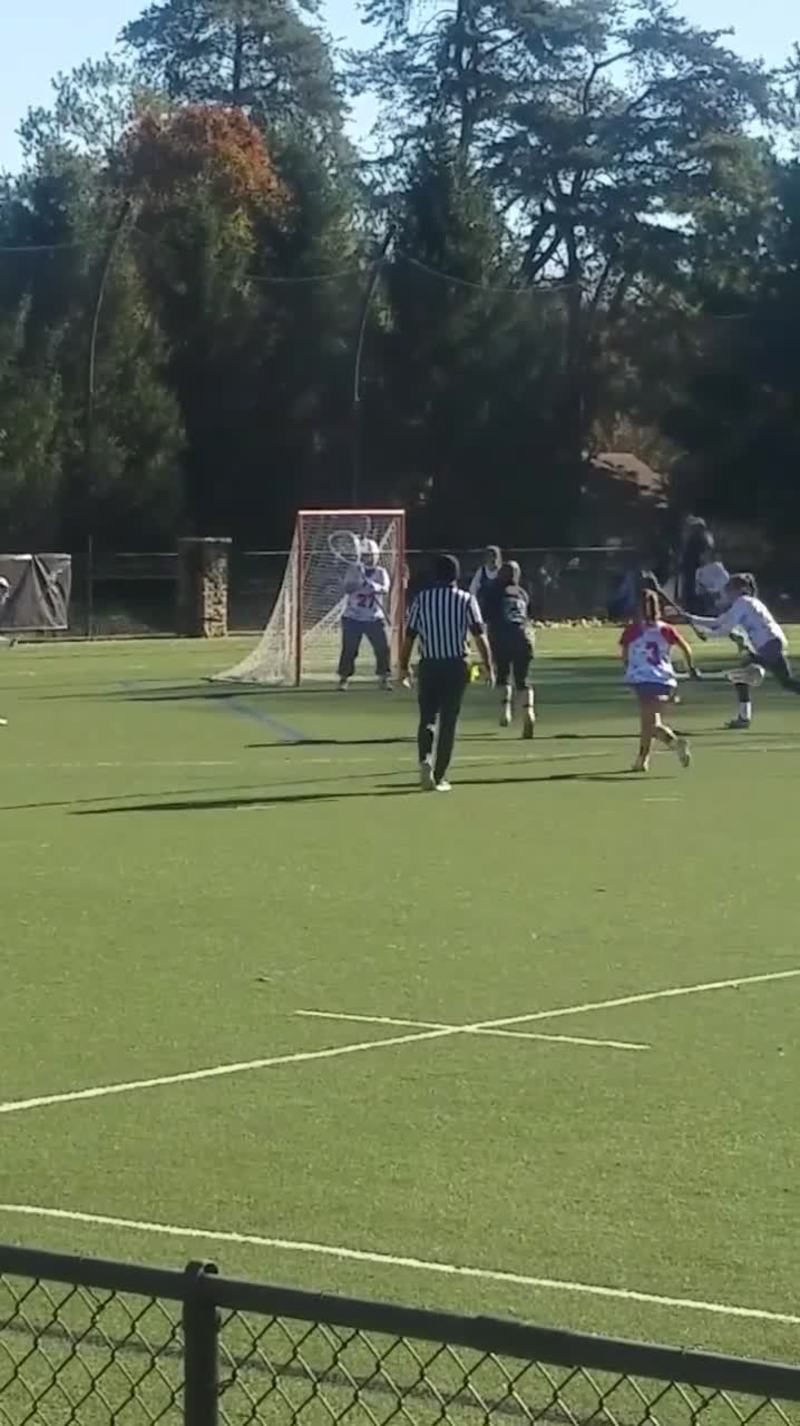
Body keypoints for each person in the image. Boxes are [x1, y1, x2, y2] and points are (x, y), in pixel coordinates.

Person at [399, 554, 494, 792]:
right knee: (449, 721)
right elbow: (479, 635)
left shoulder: (422, 599)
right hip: (456, 664)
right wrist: (489, 666)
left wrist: (403, 666)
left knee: (427, 718)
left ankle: (425, 759)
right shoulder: (466, 599)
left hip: (429, 664)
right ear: (456, 575)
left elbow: (409, 636)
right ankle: (439, 775)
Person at [690, 573, 800, 729]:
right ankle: (744, 714)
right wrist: (691, 618)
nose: (727, 594)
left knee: (746, 675)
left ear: (738, 590)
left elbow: (725, 628)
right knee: (784, 681)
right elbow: (719, 621)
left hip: (768, 644)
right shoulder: (748, 602)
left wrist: (707, 634)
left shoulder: (742, 603)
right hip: (772, 643)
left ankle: (744, 715)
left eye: (729, 590)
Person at [621, 589, 697, 773]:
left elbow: (625, 655)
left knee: (648, 724)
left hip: (643, 678)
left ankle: (671, 744)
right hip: (664, 678)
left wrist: (629, 670)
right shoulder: (665, 629)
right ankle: (643, 760)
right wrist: (690, 668)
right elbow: (686, 648)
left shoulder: (632, 630)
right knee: (651, 722)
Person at [482, 561, 536, 738]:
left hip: (502, 638)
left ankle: (505, 711)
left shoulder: (494, 593)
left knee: (503, 675)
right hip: (524, 638)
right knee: (523, 679)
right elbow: (528, 615)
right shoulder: (522, 593)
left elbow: (486, 617)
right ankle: (529, 712)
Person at [337, 539, 392, 691]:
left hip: (374, 617)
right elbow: (348, 588)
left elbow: (385, 589)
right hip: (353, 617)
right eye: (366, 555)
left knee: (383, 648)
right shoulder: (354, 570)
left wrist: (373, 585)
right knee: (349, 650)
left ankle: (384, 678)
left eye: (371, 555)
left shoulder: (381, 572)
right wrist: (359, 582)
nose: (369, 558)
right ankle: (344, 678)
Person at [679, 516, 715, 612]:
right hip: (690, 567)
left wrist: (703, 565)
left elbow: (704, 554)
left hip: (696, 567)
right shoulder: (697, 537)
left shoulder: (702, 538)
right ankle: (689, 606)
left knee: (694, 588)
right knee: (689, 588)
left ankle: (693, 607)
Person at [469, 545, 502, 617]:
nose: (492, 558)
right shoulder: (481, 571)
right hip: (483, 608)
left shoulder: (501, 572)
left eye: (494, 556)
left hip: (498, 607)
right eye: (489, 556)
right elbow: (473, 589)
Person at [694, 550, 730, 615]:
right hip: (709, 601)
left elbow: (721, 587)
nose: (702, 557)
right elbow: (699, 589)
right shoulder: (699, 571)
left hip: (720, 600)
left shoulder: (717, 568)